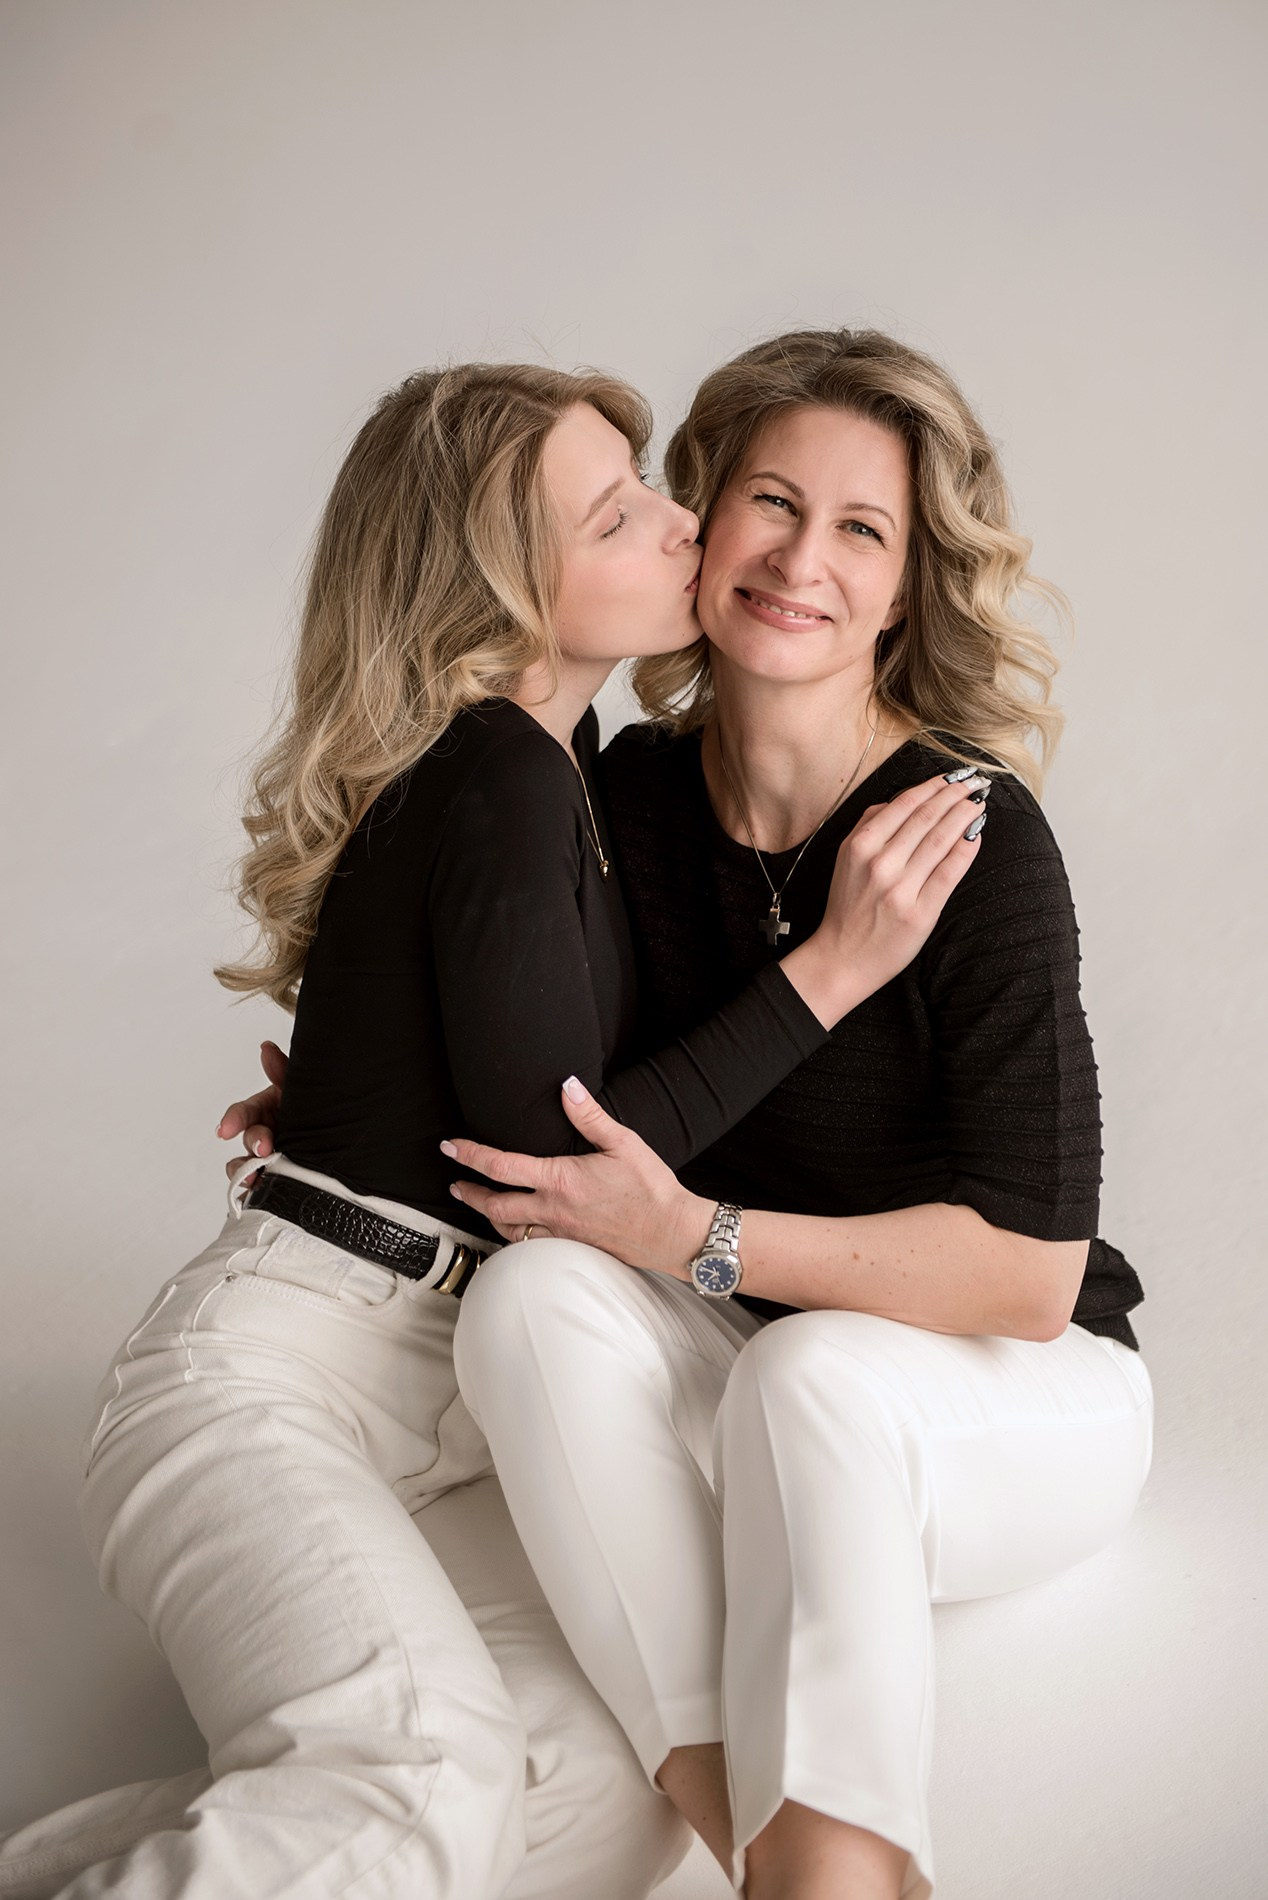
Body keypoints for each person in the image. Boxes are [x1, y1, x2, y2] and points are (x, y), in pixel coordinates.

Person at [0, 357, 983, 1900]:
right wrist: (834, 971)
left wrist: (370, 1081)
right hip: (281, 1375)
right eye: (617, 516)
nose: (682, 523)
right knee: (422, 1785)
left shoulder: (577, 769)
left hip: (453, 1395)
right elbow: (560, 1171)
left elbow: (523, 1055)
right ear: (508, 583)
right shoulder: (501, 767)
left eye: (650, 487)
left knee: (589, 1796)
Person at [436, 330, 1152, 1900]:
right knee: (532, 1299)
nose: (799, 560)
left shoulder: (969, 838)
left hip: (1016, 1391)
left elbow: (1034, 1275)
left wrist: (699, 1236)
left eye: (860, 529)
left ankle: (836, 1871)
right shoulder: (626, 795)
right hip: (749, 1351)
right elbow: (553, 1093)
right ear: (702, 518)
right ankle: (769, 1858)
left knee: (812, 1377)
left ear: (903, 590)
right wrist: (355, 1084)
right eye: (771, 501)